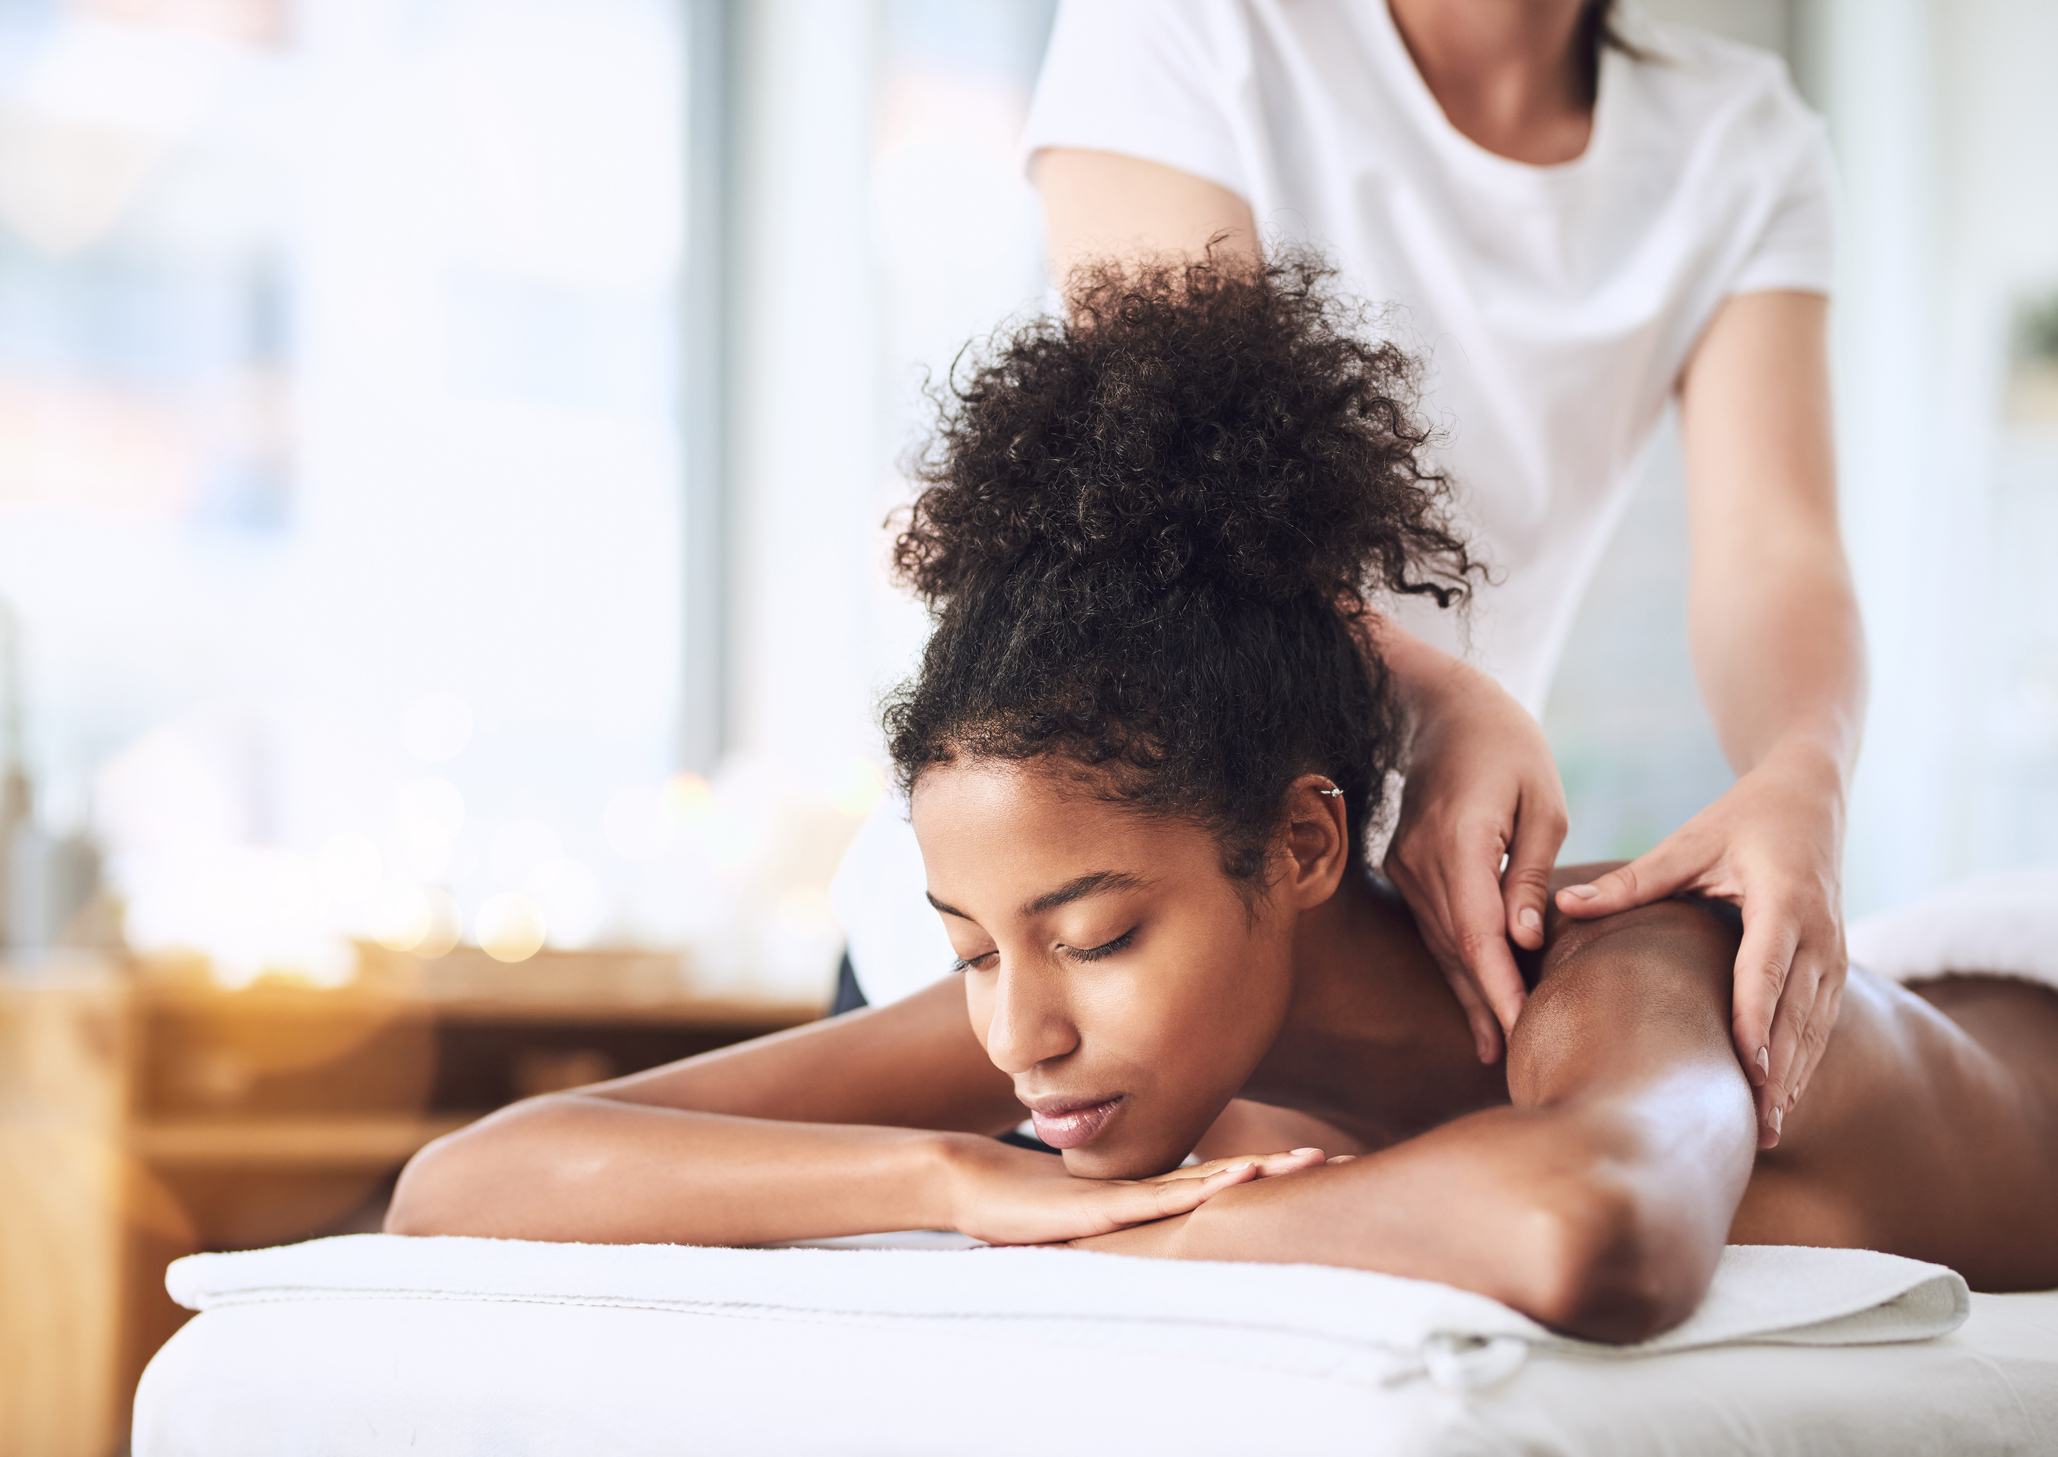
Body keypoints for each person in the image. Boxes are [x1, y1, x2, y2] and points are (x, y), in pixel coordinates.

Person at [388, 264, 2056, 1343]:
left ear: (1308, 844)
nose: (1013, 1036)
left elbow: (1588, 1227)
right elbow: (473, 1179)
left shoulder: (1633, 969)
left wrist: (1117, 1240)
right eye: (966, 947)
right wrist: (947, 1185)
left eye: (1091, 934)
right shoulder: (1112, 1039)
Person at [834, 0, 1863, 1151]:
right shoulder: (1192, 25)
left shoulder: (1741, 139)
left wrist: (1802, 774)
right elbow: (1179, 472)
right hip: (1073, 909)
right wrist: (1432, 699)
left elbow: (1777, 544)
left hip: (1356, 944)